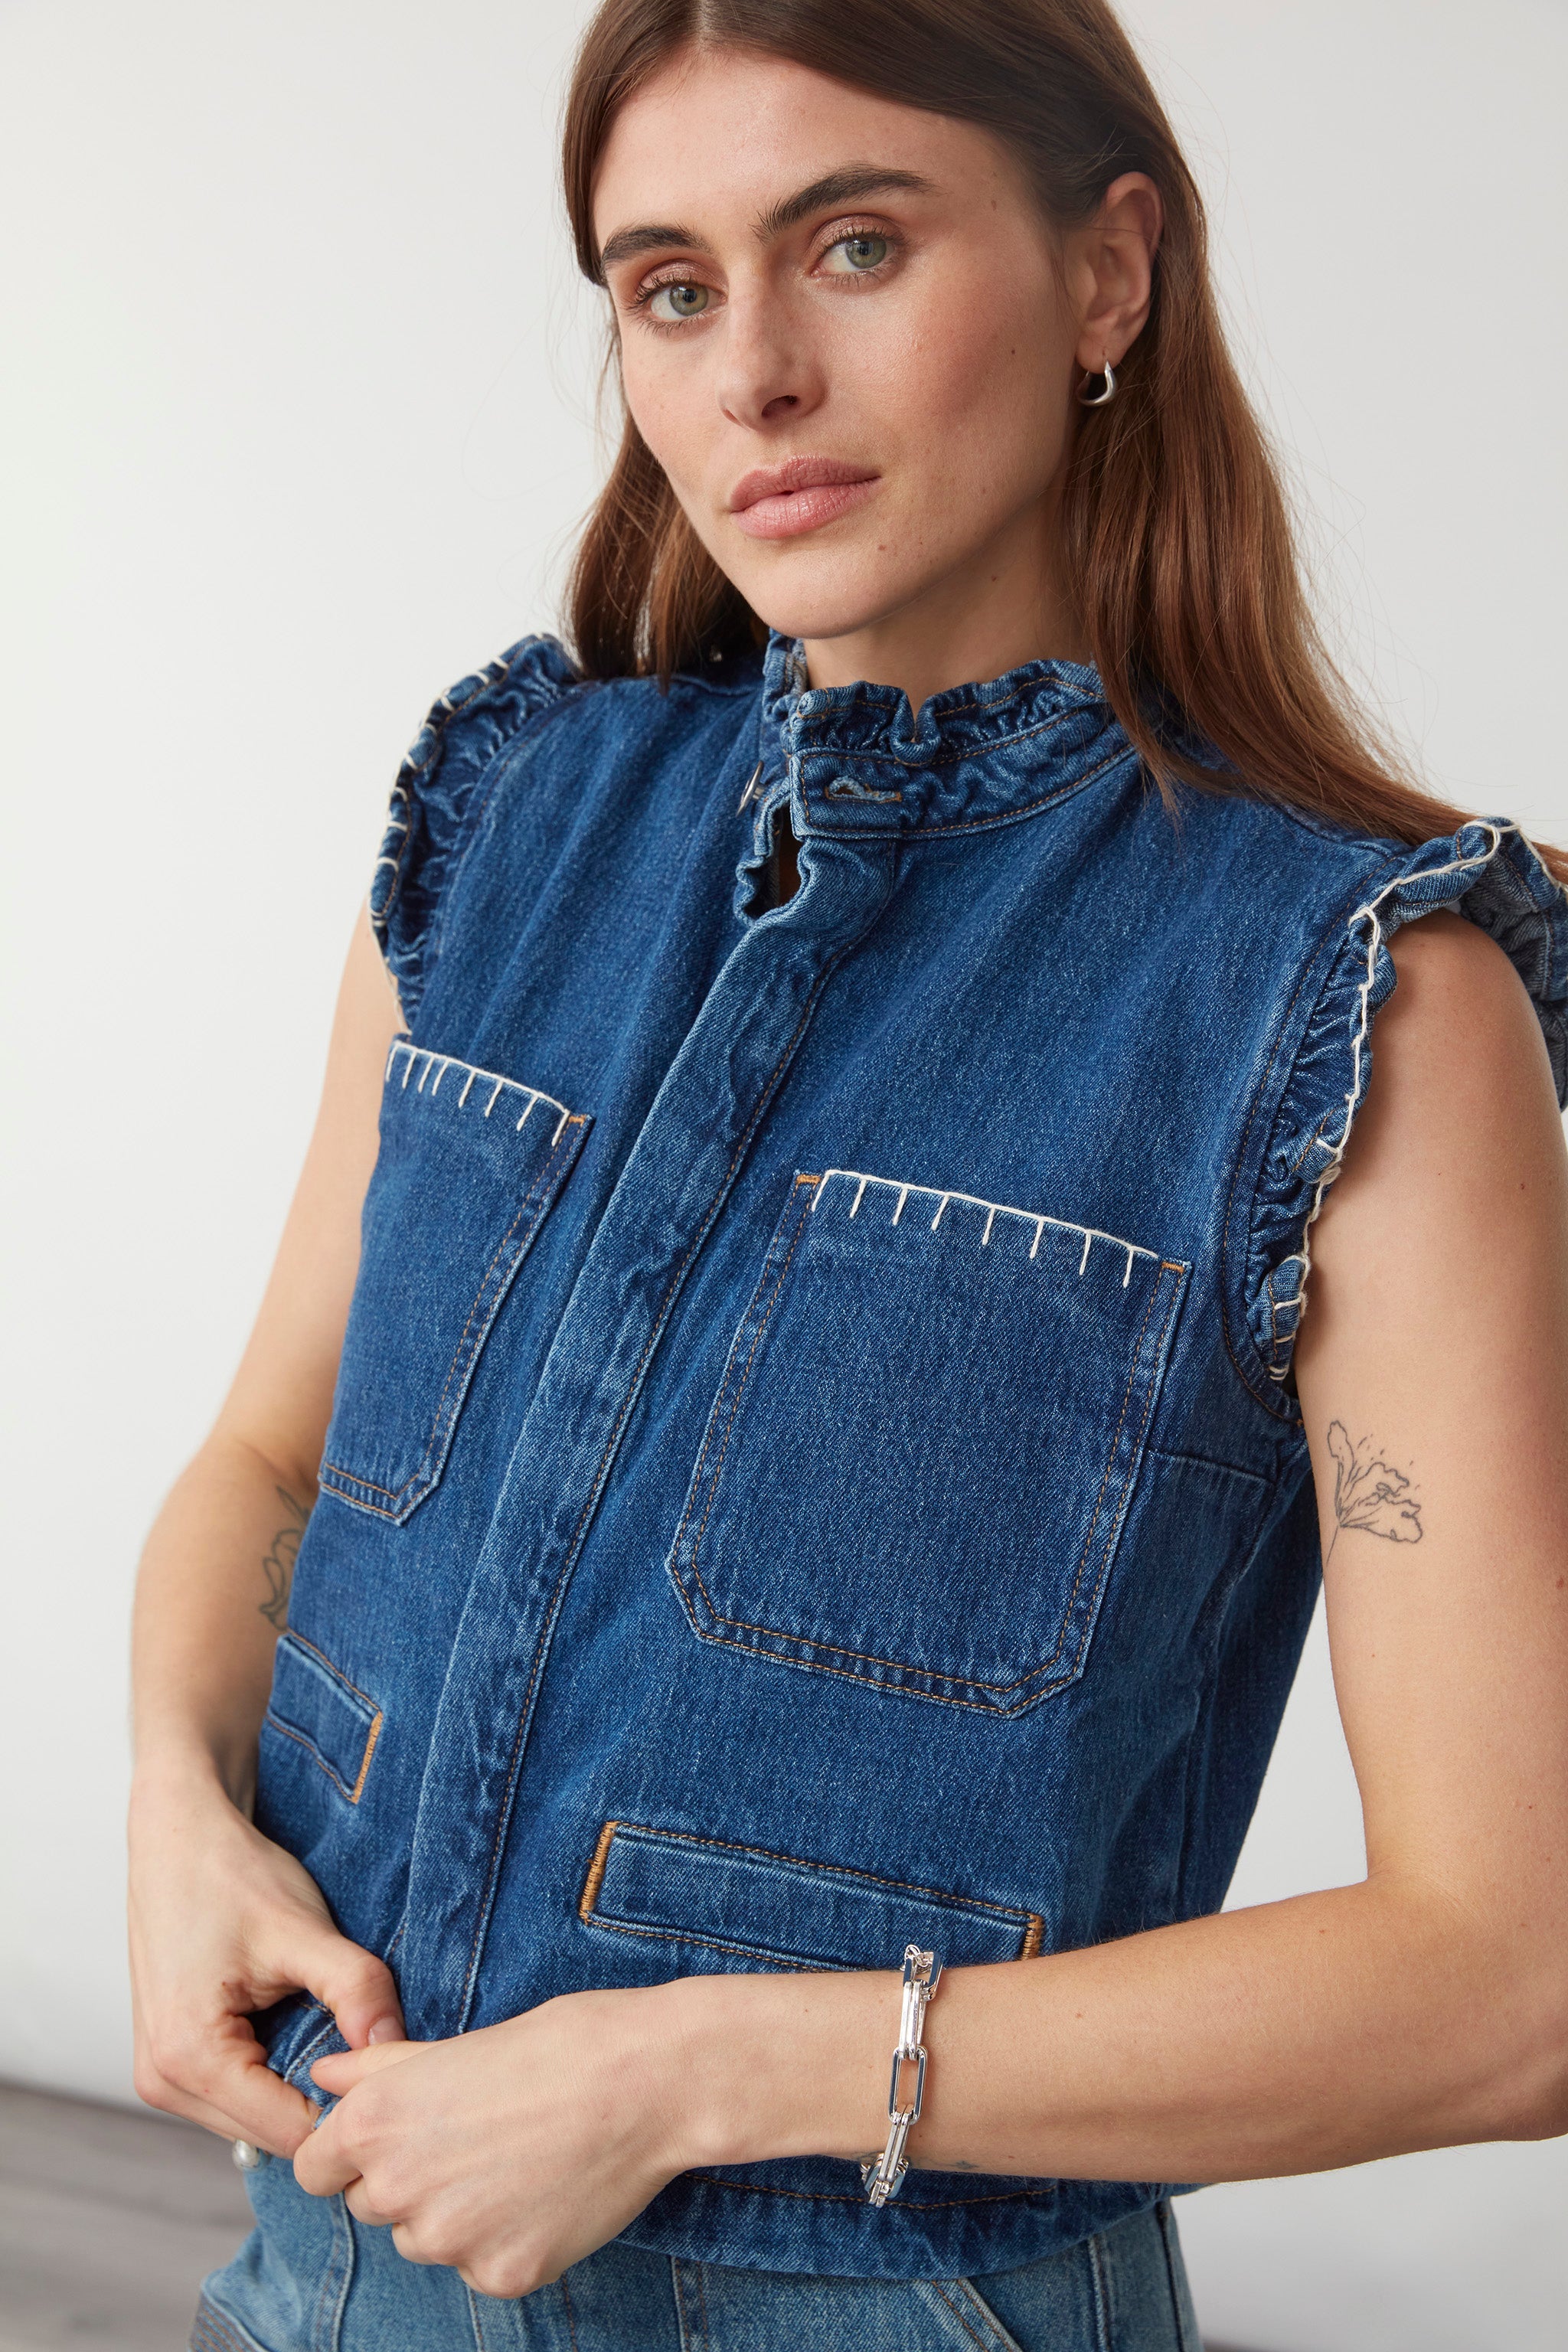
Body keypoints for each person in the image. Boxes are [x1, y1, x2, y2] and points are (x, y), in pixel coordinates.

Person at [128, 2, 1568, 2346]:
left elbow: (1517, 1976)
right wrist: (174, 1812)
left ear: (1112, 276)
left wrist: (705, 2073)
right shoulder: (503, 831)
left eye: (859, 244)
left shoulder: (1362, 1010)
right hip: (319, 2273)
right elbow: (269, 1459)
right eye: (670, 287)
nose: (753, 375)